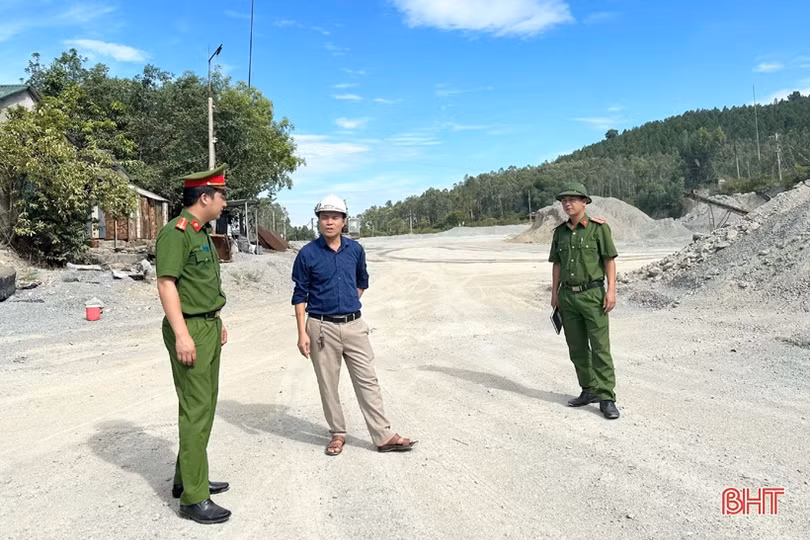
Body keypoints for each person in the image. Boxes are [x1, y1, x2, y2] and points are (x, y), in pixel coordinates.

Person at [291, 194, 417, 456]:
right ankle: (337, 433)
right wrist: (302, 332)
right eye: (324, 217)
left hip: (354, 326)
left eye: (335, 217)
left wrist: (346, 304)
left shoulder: (355, 250)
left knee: (367, 380)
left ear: (344, 221)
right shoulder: (307, 254)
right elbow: (299, 295)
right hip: (321, 328)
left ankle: (383, 436)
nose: (329, 222)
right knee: (328, 383)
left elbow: (361, 282)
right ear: (318, 221)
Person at [155, 164, 232, 524]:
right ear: (205, 197)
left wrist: (217, 319)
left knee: (204, 404)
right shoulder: (177, 233)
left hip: (207, 326)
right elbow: (166, 284)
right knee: (195, 408)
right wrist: (183, 333)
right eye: (221, 195)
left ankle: (188, 478)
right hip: (190, 330)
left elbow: (200, 285)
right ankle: (193, 499)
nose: (224, 202)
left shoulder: (200, 232)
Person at [548, 182, 621, 420]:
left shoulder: (599, 229)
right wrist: (555, 293)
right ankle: (588, 389)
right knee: (577, 347)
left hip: (592, 295)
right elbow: (557, 263)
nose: (567, 204)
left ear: (584, 202)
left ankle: (607, 397)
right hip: (568, 296)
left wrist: (611, 291)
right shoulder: (559, 233)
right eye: (564, 201)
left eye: (572, 200)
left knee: (600, 347)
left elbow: (609, 260)